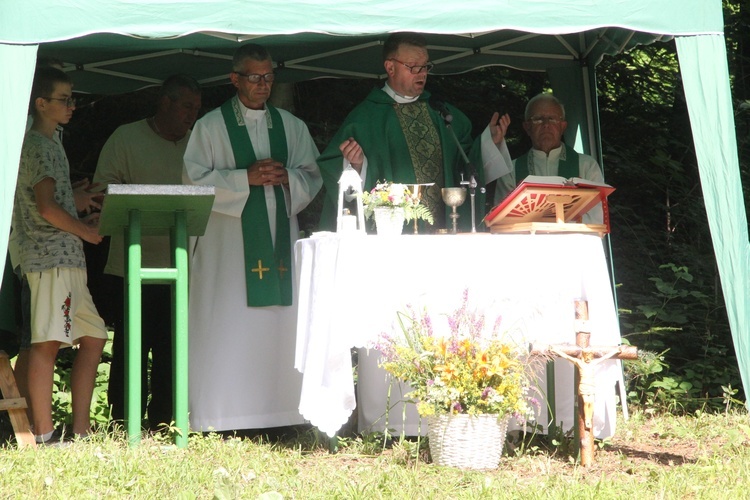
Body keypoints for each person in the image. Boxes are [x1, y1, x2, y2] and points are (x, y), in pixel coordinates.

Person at [183, 43, 322, 432]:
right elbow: (192, 181)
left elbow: (311, 175)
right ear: (235, 79)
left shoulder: (291, 126)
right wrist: (244, 178)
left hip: (279, 235)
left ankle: (282, 412)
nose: (263, 85)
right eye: (254, 78)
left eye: (268, 77)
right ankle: (222, 413)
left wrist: (287, 178)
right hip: (227, 244)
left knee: (278, 324)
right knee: (228, 317)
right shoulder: (210, 126)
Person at [317, 32, 511, 233]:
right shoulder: (364, 119)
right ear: (390, 67)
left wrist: (490, 142)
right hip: (391, 235)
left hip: (443, 230)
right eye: (413, 67)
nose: (422, 73)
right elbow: (335, 174)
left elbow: (466, 164)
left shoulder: (441, 113)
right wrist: (356, 166)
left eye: (425, 66)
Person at [93, 74, 202, 430]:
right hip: (131, 263)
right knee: (130, 348)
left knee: (173, 349)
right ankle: (123, 420)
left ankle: (165, 421)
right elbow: (100, 190)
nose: (192, 116)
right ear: (164, 103)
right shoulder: (126, 137)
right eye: (186, 106)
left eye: (196, 109)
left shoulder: (199, 145)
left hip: (182, 265)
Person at [13, 66, 108, 444]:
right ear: (40, 103)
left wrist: (78, 200)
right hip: (48, 258)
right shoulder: (37, 143)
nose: (72, 105)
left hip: (65, 260)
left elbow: (52, 200)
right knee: (47, 342)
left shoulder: (52, 142)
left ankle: (82, 432)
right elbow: (47, 208)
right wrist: (86, 230)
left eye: (73, 98)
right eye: (64, 99)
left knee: (95, 336)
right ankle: (45, 434)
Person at [487, 92, 605, 223]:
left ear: (563, 126)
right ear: (527, 127)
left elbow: (596, 219)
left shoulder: (587, 166)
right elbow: (502, 220)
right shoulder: (511, 170)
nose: (546, 124)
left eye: (552, 119)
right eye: (538, 119)